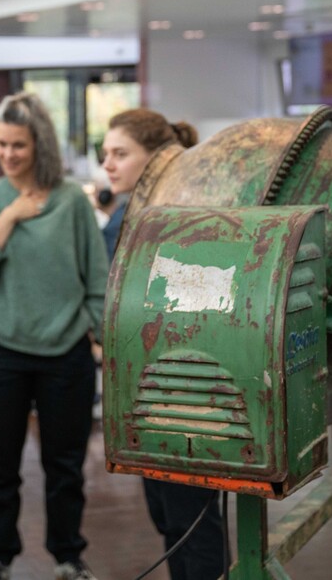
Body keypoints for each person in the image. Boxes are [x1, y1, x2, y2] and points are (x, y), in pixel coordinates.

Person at [0, 92, 108, 580]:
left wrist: (97, 333)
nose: (8, 154)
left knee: (66, 466)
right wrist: (10, 216)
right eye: (1, 144)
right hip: (0, 350)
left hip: (67, 352)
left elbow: (97, 278)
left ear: (39, 144)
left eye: (18, 145)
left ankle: (67, 555)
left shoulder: (71, 203)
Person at [100, 108, 226, 580]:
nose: (108, 165)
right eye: (105, 154)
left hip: (178, 385)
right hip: (146, 385)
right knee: (171, 517)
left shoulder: (170, 220)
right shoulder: (129, 216)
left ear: (155, 159)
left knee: (192, 517)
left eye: (121, 154)